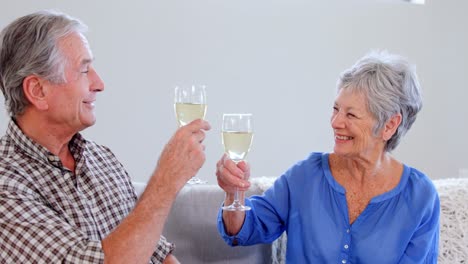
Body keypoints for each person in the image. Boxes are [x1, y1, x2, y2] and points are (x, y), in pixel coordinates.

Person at [0, 10, 210, 264]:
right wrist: (167, 180)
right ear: (38, 90)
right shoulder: (7, 186)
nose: (99, 84)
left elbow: (157, 254)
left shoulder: (103, 160)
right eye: (84, 70)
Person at [215, 51, 440, 263]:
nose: (336, 122)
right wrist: (233, 192)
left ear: (389, 125)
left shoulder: (420, 197)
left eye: (350, 114)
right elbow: (242, 231)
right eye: (336, 109)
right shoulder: (306, 176)